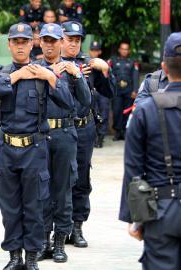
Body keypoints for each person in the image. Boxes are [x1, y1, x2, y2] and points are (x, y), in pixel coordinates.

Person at [0, 23, 73, 270]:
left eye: (25, 41)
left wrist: (51, 77)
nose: (21, 46)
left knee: (34, 206)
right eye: (16, 41)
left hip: (34, 148)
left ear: (32, 44)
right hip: (7, 149)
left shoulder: (43, 71)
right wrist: (16, 76)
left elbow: (67, 103)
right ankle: (14, 257)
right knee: (9, 206)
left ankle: (32, 258)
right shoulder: (1, 72)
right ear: (9, 44)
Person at [119, 31, 181, 270]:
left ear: (164, 66)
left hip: (158, 212)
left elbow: (133, 169)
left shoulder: (144, 111)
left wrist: (135, 218)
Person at [35, 23, 90, 264]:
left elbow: (85, 101)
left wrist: (77, 76)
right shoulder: (33, 68)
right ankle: (43, 241)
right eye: (45, 40)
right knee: (42, 191)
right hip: (42, 135)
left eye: (53, 40)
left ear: (60, 42)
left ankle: (59, 242)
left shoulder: (72, 69)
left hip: (66, 134)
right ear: (40, 42)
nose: (49, 44)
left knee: (63, 189)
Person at [60, 22, 116, 250]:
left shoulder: (89, 65)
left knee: (81, 178)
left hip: (84, 128)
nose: (73, 43)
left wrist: (105, 70)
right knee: (59, 178)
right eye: (69, 38)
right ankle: (58, 229)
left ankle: (77, 226)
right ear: (61, 39)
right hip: (60, 128)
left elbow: (108, 92)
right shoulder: (53, 63)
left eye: (77, 39)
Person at [108, 41, 139, 141]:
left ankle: (125, 132)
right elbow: (108, 75)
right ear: (119, 50)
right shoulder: (113, 61)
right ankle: (117, 132)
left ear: (128, 51)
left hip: (129, 91)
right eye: (123, 49)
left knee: (127, 111)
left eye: (126, 49)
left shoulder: (132, 62)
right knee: (116, 111)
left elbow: (135, 76)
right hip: (117, 91)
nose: (124, 51)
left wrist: (135, 90)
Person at [89, 40, 113, 148]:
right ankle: (94, 137)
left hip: (102, 93)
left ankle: (101, 137)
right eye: (92, 50)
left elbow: (108, 79)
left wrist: (104, 69)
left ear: (99, 51)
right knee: (93, 114)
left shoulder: (104, 63)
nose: (94, 53)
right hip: (92, 92)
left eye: (96, 50)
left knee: (103, 114)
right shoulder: (86, 62)